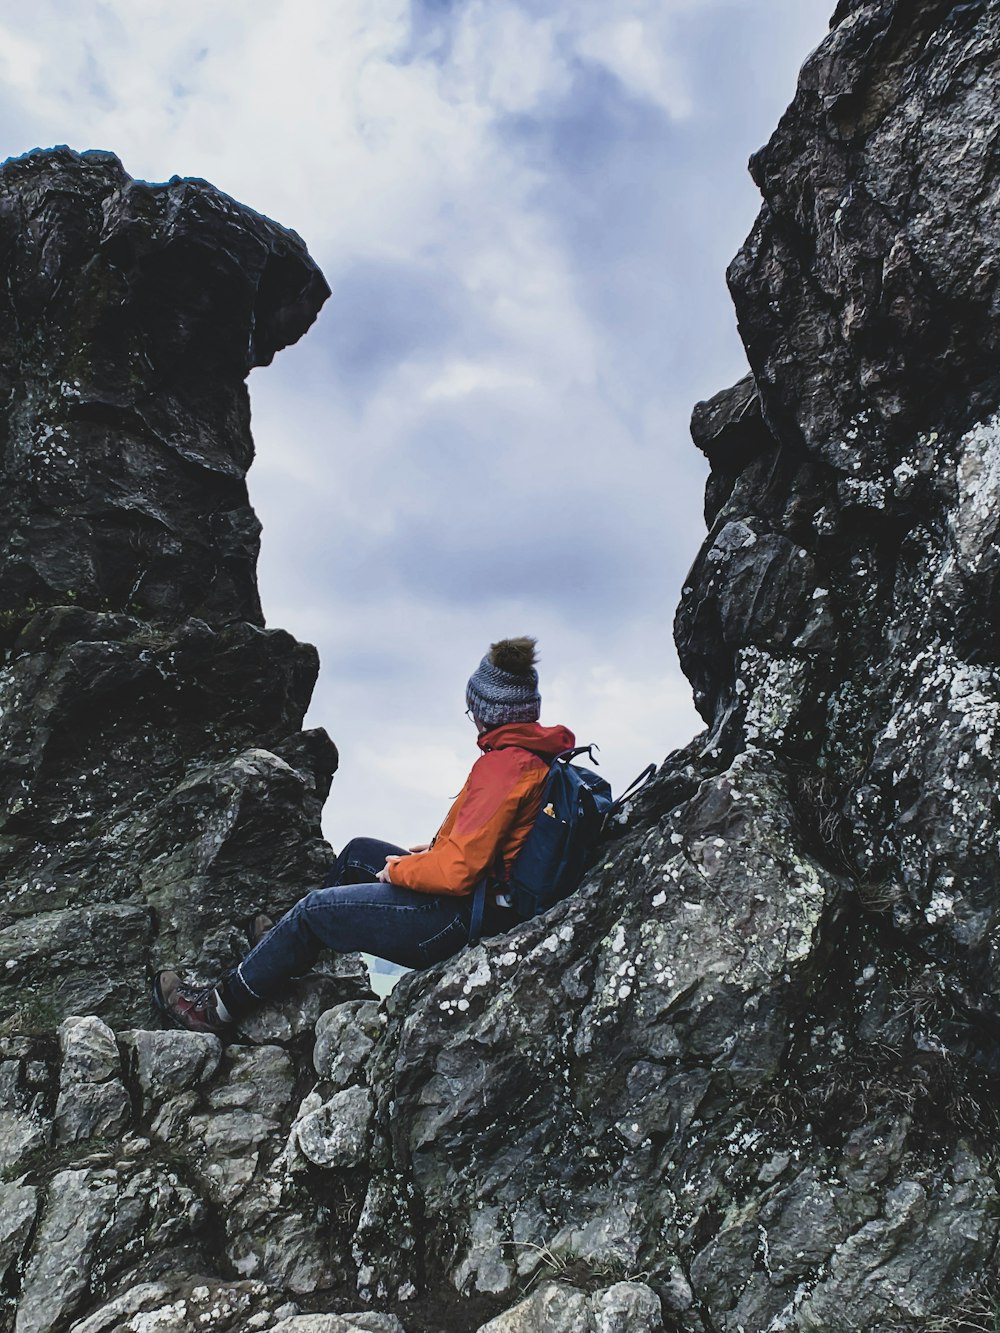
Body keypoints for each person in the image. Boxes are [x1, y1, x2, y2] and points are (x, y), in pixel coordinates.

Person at [154, 636, 575, 1035]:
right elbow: (494, 844)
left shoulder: (504, 767)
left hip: (456, 920)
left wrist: (401, 872)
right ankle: (278, 951)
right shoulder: (531, 757)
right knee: (359, 853)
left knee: (313, 910)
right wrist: (432, 852)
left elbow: (457, 873)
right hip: (482, 902)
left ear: (487, 710)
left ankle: (215, 1009)